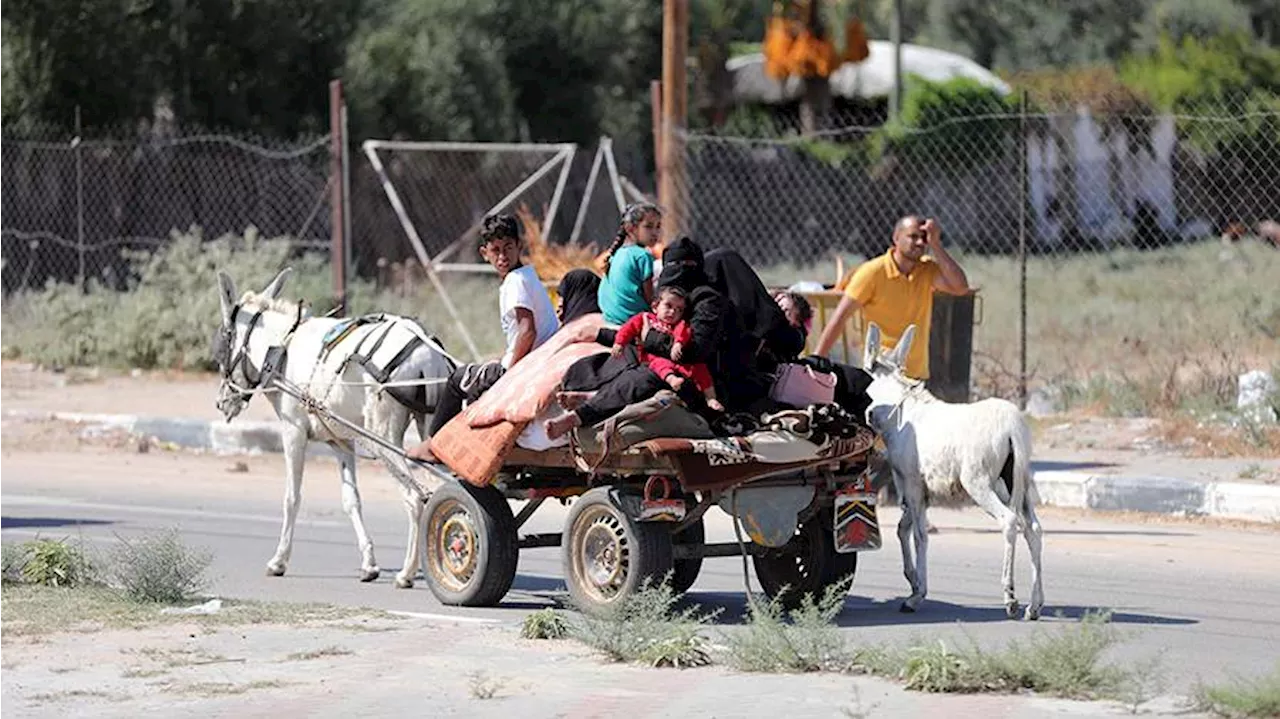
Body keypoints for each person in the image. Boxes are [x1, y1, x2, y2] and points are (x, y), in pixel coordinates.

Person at [408, 213, 559, 462]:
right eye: (495, 250)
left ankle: (435, 445)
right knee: (476, 375)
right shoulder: (527, 276)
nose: (502, 256)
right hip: (538, 361)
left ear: (519, 246)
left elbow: (527, 330)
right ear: (484, 253)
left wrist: (508, 373)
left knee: (458, 379)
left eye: (508, 248)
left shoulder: (515, 282)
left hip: (528, 368)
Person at [812, 215, 970, 381]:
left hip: (916, 376)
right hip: (882, 375)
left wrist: (936, 245)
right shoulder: (872, 272)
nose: (920, 243)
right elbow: (839, 318)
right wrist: (816, 361)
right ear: (896, 238)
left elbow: (960, 287)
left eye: (924, 238)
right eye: (913, 236)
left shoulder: (928, 270)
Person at [597, 203, 662, 325]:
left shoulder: (618, 253)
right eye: (648, 227)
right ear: (630, 229)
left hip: (610, 316)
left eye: (658, 227)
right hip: (631, 319)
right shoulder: (643, 256)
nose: (655, 233)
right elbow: (650, 299)